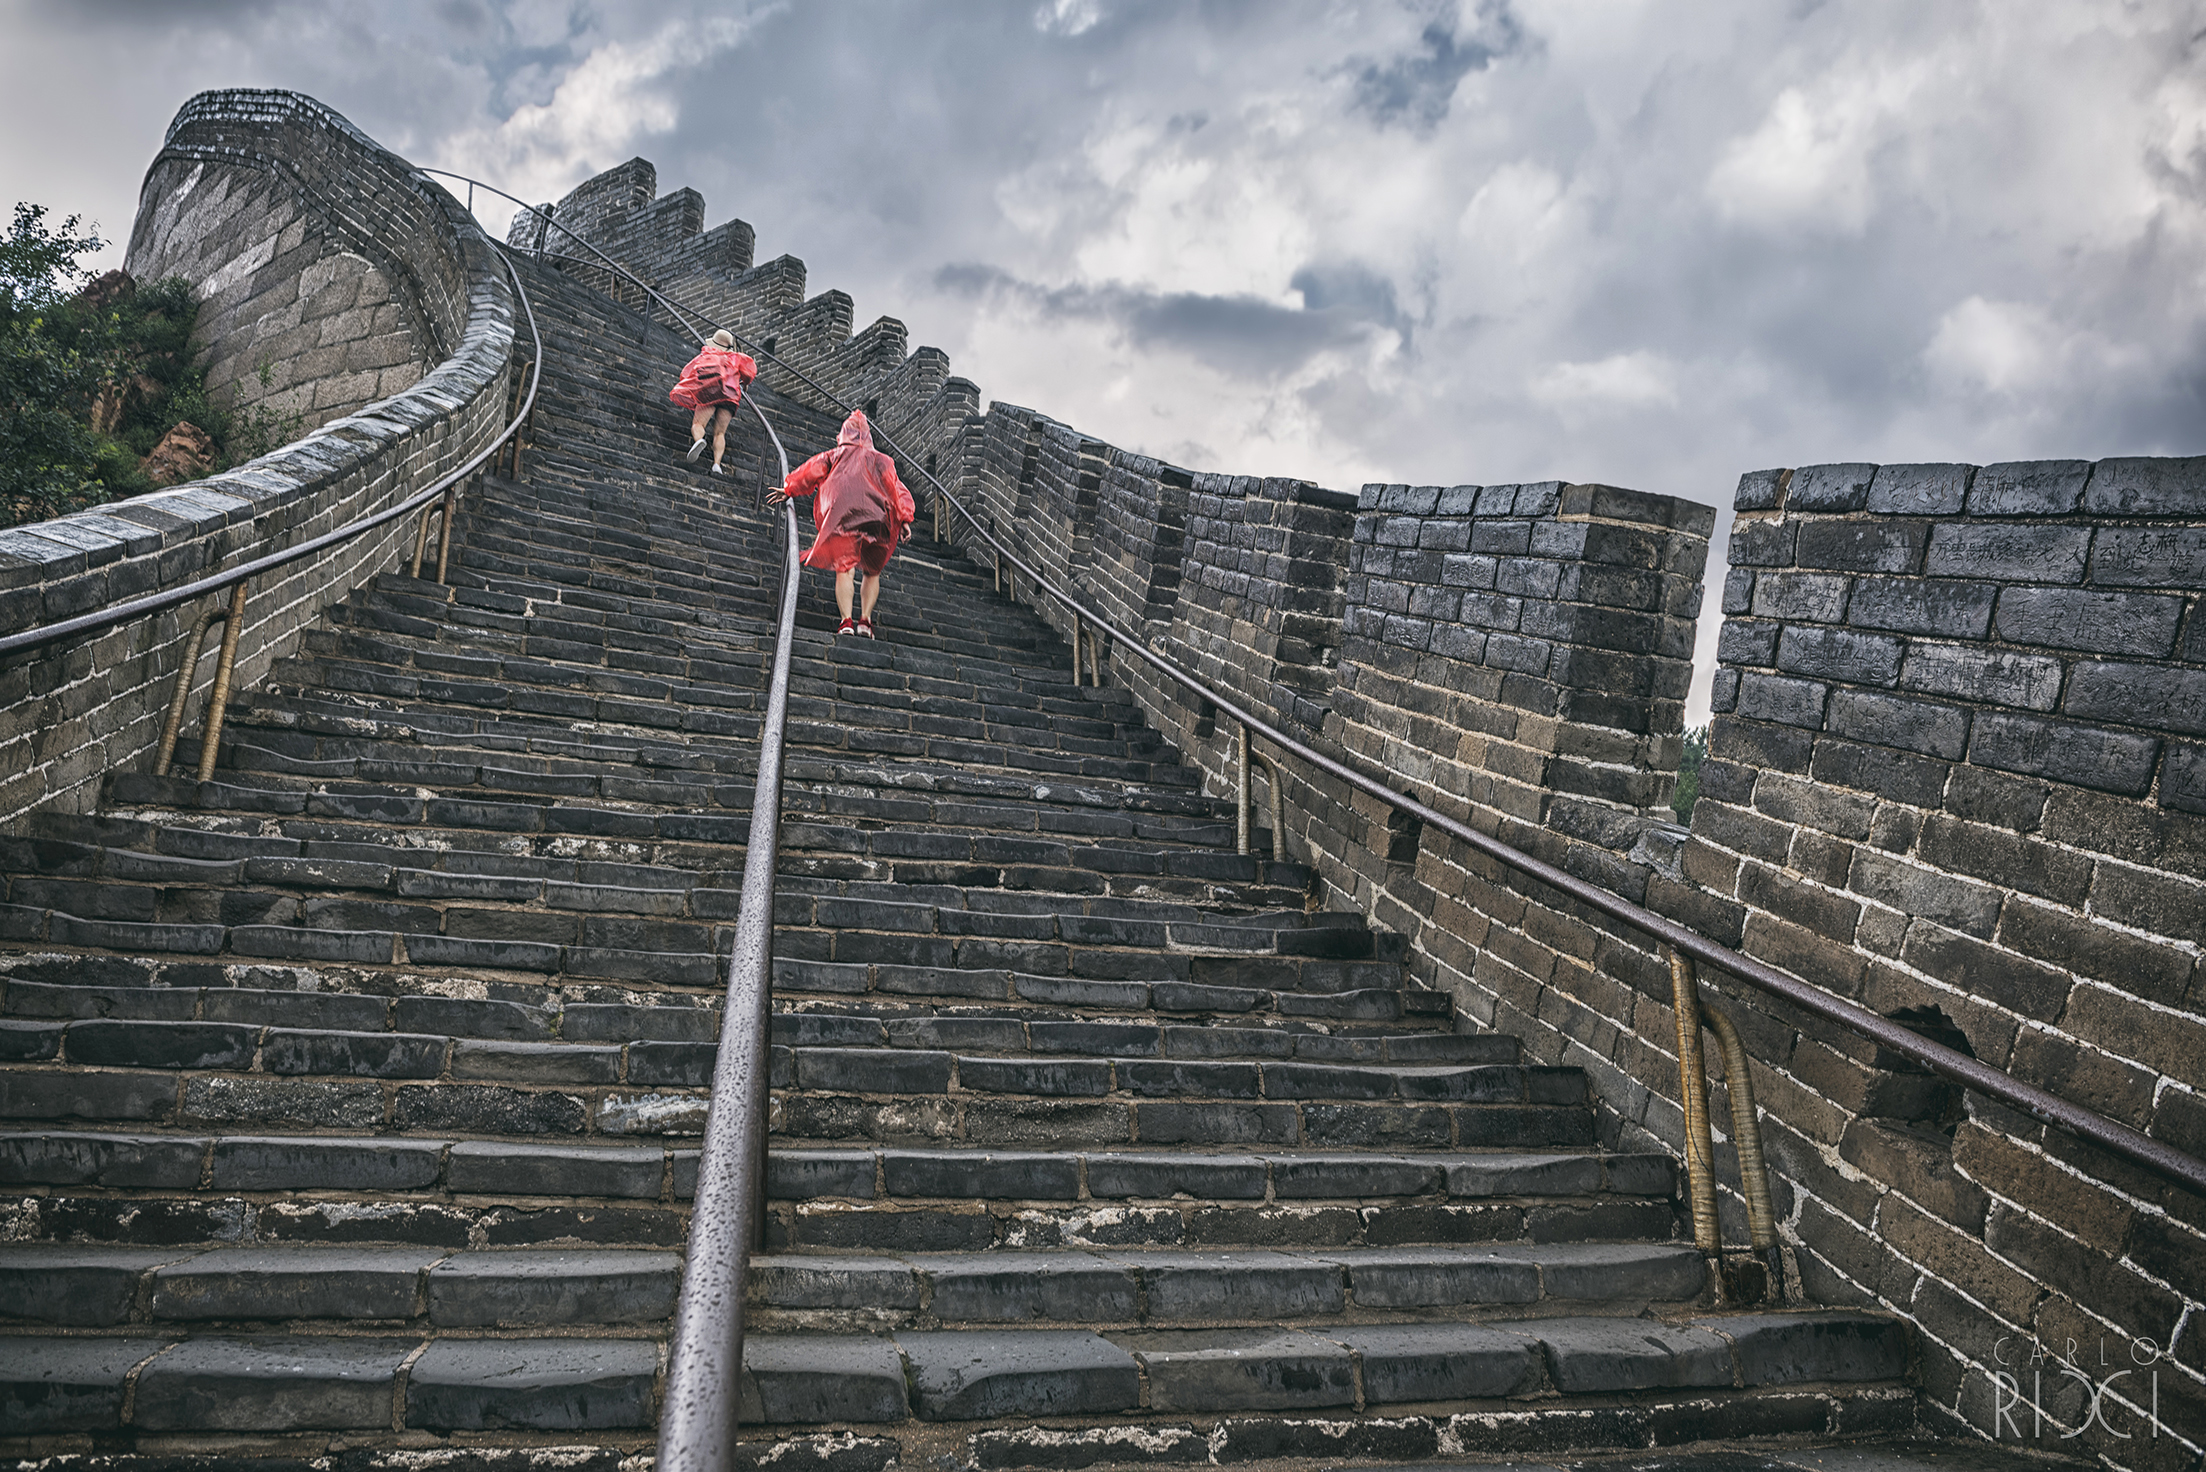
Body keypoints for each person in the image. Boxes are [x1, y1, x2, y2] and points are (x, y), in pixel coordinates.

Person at [767, 409, 915, 638]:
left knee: (845, 569)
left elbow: (810, 471)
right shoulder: (882, 460)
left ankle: (846, 621)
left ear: (843, 433)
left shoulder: (835, 455)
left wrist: (789, 489)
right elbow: (897, 489)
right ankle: (865, 621)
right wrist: (905, 518)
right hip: (879, 518)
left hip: (843, 516)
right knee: (872, 571)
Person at [669, 328, 757, 476]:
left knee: (698, 424)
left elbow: (687, 372)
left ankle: (699, 440)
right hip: (730, 395)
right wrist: (745, 383)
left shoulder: (706, 355)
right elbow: (749, 373)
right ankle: (716, 464)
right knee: (720, 433)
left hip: (709, 392)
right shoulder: (736, 358)